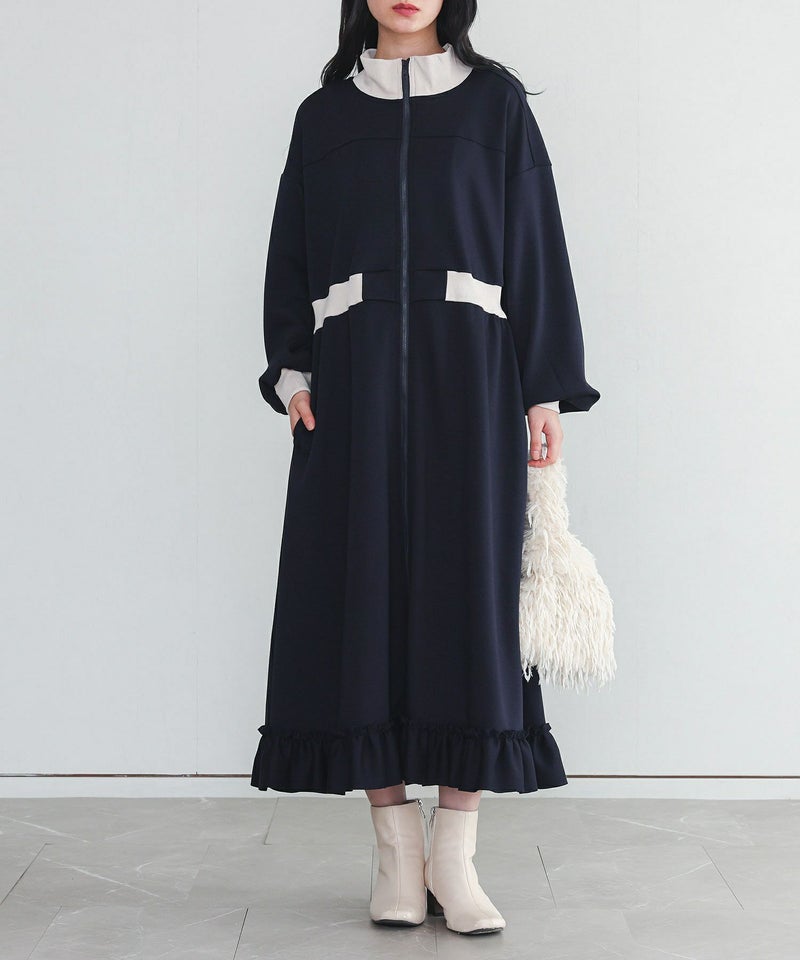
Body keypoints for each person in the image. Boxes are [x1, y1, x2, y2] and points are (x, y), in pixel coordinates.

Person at [250, 0, 600, 936]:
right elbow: (290, 253)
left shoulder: (495, 104)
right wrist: (292, 373)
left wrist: (545, 389)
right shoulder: (324, 116)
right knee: (360, 600)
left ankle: (456, 855)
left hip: (472, 382)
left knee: (468, 603)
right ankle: (395, 853)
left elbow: (535, 244)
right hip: (352, 387)